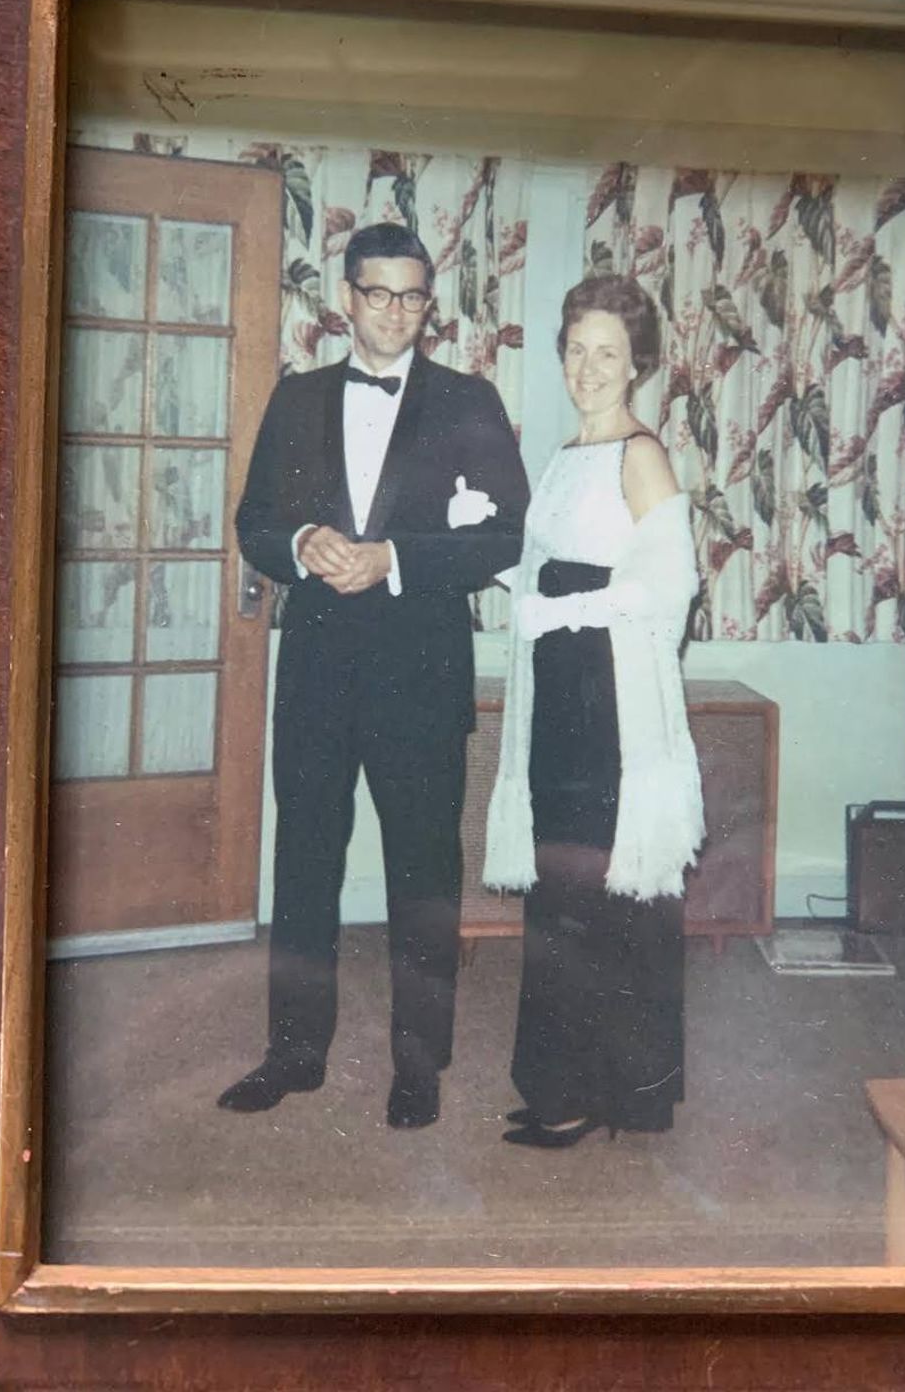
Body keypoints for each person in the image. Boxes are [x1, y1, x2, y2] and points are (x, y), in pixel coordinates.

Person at [219, 222, 529, 1129]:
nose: (395, 311)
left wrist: (392, 556)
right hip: (315, 670)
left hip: (421, 672)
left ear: (429, 305)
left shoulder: (470, 400)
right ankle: (292, 1054)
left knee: (423, 872)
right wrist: (300, 544)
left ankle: (418, 1064)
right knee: (305, 862)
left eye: (413, 295)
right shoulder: (297, 396)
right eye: (378, 292)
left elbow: (507, 535)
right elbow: (254, 523)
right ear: (345, 297)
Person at [484, 274, 704, 1148]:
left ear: (637, 363)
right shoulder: (565, 453)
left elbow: (669, 588)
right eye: (576, 349)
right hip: (558, 695)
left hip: (607, 700)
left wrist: (560, 609)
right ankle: (563, 1083)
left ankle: (604, 1092)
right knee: (562, 893)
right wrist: (504, 565)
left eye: (607, 352)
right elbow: (555, 565)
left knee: (604, 894)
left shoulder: (640, 453)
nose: (588, 367)